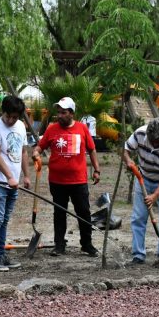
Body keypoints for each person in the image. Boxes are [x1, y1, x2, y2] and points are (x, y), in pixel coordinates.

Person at [32, 97, 101, 257]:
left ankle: (87, 244)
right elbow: (40, 147)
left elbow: (92, 149)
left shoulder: (82, 128)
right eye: (58, 112)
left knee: (83, 212)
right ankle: (59, 245)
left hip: (79, 180)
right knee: (59, 212)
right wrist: (36, 153)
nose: (60, 115)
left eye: (63, 112)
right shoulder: (51, 129)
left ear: (71, 113)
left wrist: (96, 170)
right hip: (57, 181)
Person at [123, 118, 159, 268]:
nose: (154, 145)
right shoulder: (140, 134)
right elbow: (126, 149)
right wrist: (128, 160)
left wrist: (155, 196)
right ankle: (138, 255)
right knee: (138, 218)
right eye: (152, 141)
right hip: (144, 179)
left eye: (158, 142)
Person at [0, 95, 30, 272]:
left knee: (4, 220)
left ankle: (1, 254)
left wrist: (25, 175)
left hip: (13, 183)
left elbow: (23, 152)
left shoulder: (20, 126)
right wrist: (10, 176)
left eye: (14, 117)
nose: (10, 120)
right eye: (8, 116)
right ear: (3, 112)